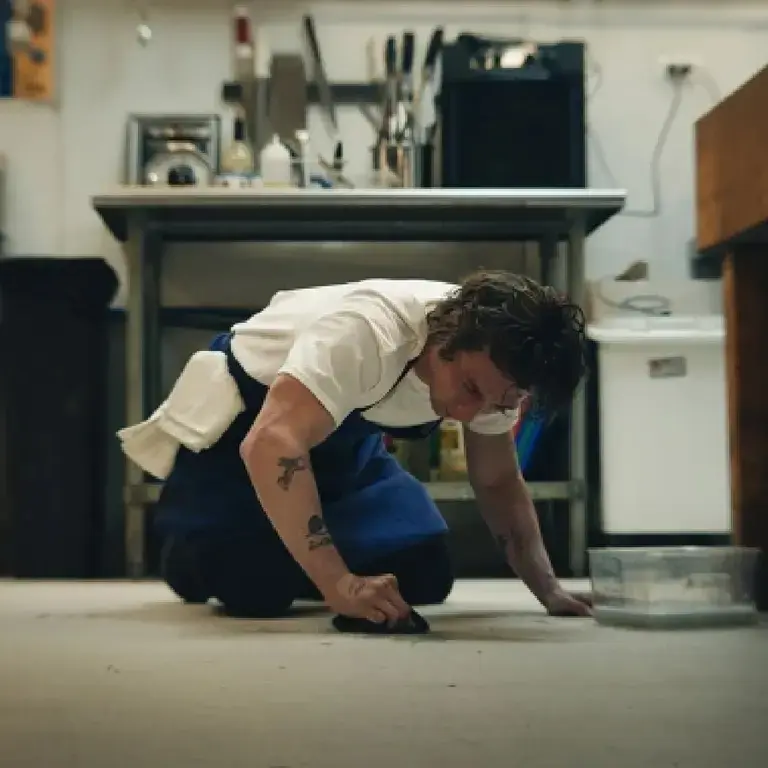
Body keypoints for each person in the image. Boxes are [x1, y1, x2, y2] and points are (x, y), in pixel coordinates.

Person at [118, 270, 593, 626]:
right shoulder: (370, 330)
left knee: (426, 574)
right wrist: (339, 584)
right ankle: (192, 545)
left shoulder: (503, 367)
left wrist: (547, 588)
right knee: (255, 588)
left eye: (497, 401)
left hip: (346, 452)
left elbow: (496, 479)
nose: (473, 414)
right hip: (249, 432)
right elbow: (270, 443)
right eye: (469, 389)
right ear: (446, 338)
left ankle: (301, 552)